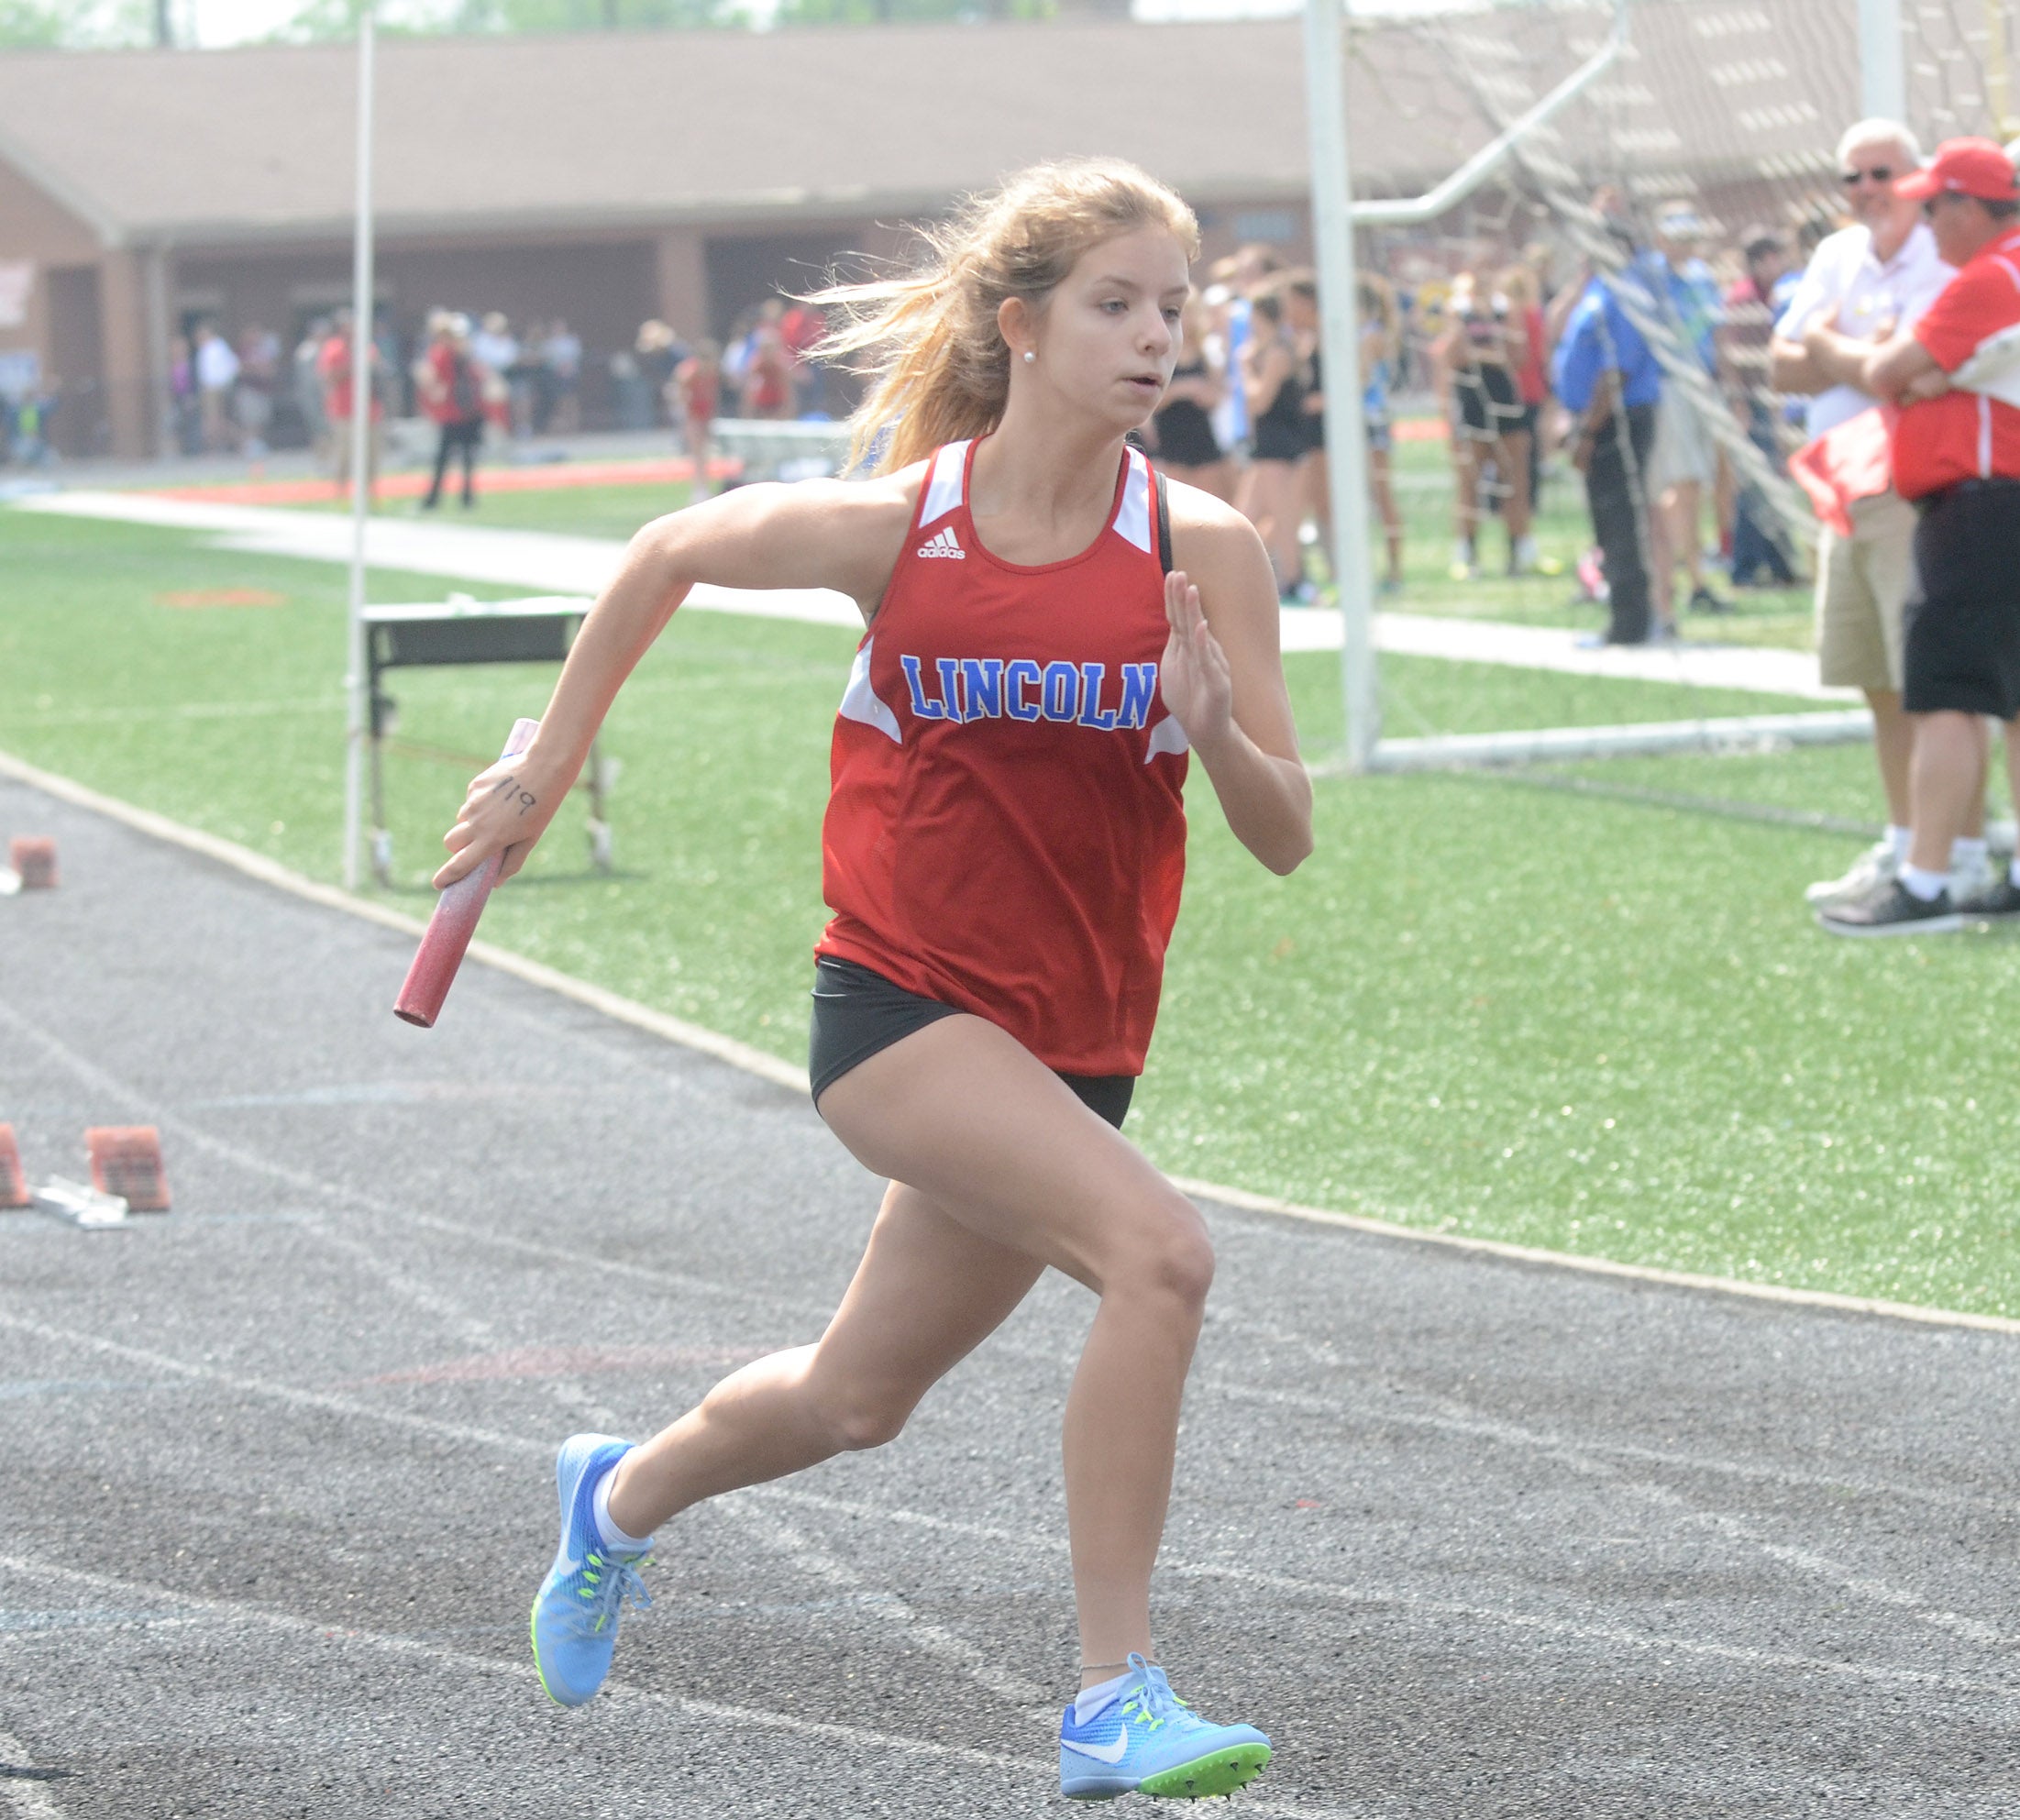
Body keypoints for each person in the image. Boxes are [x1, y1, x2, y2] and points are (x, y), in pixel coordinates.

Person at [434, 157, 1308, 1802]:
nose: (1153, 339)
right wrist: (546, 760)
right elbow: (666, 549)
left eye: (1172, 310)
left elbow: (1283, 836)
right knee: (1161, 1259)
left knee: (854, 1400)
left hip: (1074, 1041)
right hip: (897, 1007)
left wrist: (1214, 726)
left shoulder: (1204, 555)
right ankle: (1111, 1698)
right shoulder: (901, 526)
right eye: (1113, 305)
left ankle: (614, 1499)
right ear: (1020, 326)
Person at [1818, 139, 2020, 932]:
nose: (1926, 221)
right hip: (1995, 507)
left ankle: (1926, 882)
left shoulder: (1989, 275)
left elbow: (1885, 370)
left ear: (1970, 207)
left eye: (1934, 205)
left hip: (1976, 509)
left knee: (1945, 696)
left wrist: (1832, 346)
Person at [1772, 118, 1959, 910]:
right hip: (1840, 489)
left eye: (1881, 173)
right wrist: (1858, 352)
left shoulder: (1945, 254)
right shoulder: (1835, 253)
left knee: (1930, 683)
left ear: (1915, 179)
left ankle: (1949, 852)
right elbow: (1783, 368)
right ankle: (1901, 840)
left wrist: (1830, 344)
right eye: (1852, 177)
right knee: (1875, 682)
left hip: (1914, 489)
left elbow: (1908, 374)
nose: (1867, 190)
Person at [1552, 220, 1665, 646]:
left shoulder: (1626, 292)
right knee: (1608, 523)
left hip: (1619, 420)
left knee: (1620, 521)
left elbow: (1616, 370)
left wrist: (1585, 430)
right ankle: (1623, 616)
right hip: (1600, 420)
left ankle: (1630, 623)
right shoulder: (1599, 288)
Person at [1235, 285, 1308, 597]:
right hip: (1266, 444)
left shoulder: (1277, 351)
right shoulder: (1266, 349)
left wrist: (1245, 369)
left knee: (1282, 517)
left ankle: (1292, 579)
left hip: (1279, 444)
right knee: (1244, 518)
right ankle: (1241, 576)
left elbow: (1259, 402)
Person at [1148, 290, 1233, 502]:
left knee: (1213, 500)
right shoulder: (1162, 353)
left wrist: (1203, 392)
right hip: (1171, 433)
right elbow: (1152, 401)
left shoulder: (1207, 353)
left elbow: (1217, 397)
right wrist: (1182, 389)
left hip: (1201, 433)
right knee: (1175, 502)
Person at [1358, 272, 1407, 592]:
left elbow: (1360, 379)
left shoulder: (1370, 335)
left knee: (1380, 493)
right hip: (1366, 418)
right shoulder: (1369, 333)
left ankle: (1394, 571)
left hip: (1371, 419)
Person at [417, 313, 488, 511]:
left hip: (452, 412)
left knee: (443, 458)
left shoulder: (440, 352)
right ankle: (467, 498)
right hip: (469, 410)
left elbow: (432, 380)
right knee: (467, 457)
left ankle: (434, 499)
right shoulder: (464, 351)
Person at [670, 336, 721, 492]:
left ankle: (704, 484)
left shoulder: (711, 372)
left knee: (706, 452)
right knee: (697, 452)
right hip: (692, 415)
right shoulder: (688, 373)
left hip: (705, 414)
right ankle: (700, 487)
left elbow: (712, 395)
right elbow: (679, 396)